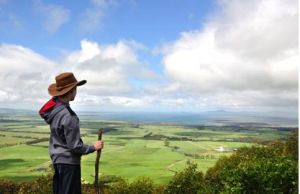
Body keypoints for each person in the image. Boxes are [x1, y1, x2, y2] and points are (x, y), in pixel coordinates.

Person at [39, 72, 104, 194]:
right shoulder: (69, 116)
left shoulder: (55, 111)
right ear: (71, 91)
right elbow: (74, 146)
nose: (76, 91)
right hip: (69, 163)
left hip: (57, 160)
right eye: (75, 88)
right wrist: (93, 147)